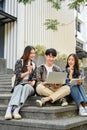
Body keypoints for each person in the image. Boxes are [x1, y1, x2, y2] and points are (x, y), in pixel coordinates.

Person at [5, 46, 36, 120]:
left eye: (34, 53)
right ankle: (9, 110)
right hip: (19, 84)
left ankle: (16, 110)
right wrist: (28, 72)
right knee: (19, 87)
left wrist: (33, 82)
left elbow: (34, 78)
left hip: (29, 87)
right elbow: (18, 76)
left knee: (26, 87)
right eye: (31, 53)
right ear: (26, 53)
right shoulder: (19, 62)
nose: (33, 55)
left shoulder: (34, 65)